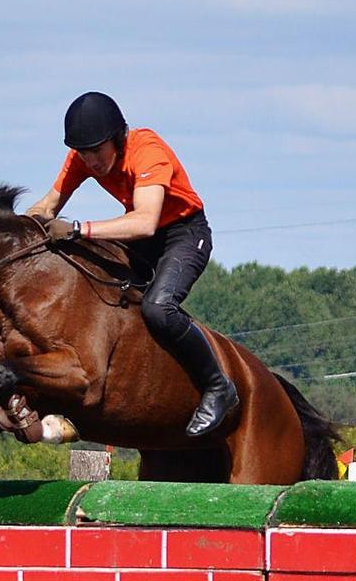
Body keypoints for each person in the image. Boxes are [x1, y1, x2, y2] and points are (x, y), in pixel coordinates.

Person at [27, 91, 238, 438]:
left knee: (158, 308)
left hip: (183, 235)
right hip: (144, 238)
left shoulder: (147, 151)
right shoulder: (81, 156)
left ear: (117, 139)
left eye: (96, 151)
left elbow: (144, 223)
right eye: (83, 153)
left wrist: (79, 229)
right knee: (92, 292)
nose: (90, 161)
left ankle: (219, 387)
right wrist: (19, 233)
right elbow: (47, 205)